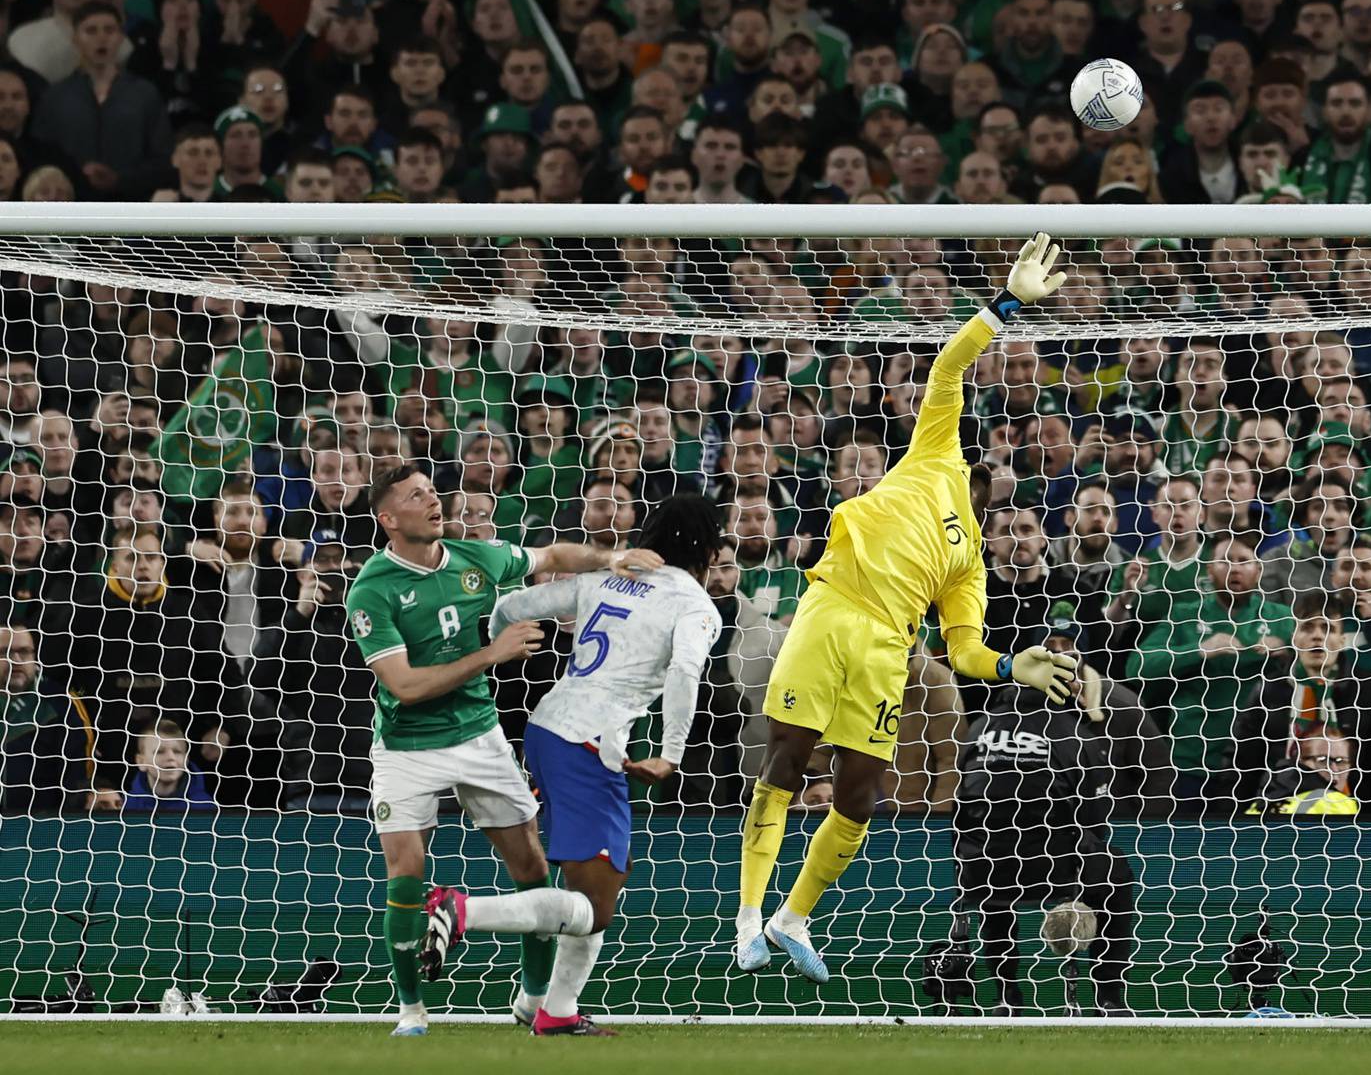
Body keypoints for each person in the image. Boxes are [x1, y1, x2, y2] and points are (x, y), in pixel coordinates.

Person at [733, 235, 1080, 982]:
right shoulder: (934, 452)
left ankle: (795, 917)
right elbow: (949, 364)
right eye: (996, 450)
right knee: (788, 758)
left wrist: (1011, 664)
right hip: (832, 610)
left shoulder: (969, 562)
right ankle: (748, 918)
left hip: (889, 647)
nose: (998, 460)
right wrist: (1007, 303)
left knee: (860, 791)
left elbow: (964, 651)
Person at [344, 464, 663, 1037]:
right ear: (389, 519)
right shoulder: (371, 589)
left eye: (433, 492)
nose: (434, 502)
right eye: (417, 497)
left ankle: (534, 999)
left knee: (532, 865)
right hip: (407, 747)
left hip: (479, 736)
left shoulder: (476, 557)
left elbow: (551, 557)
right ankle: (412, 1010)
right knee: (406, 872)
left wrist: (610, 562)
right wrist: (492, 654)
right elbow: (405, 686)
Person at [426, 495, 726, 1036]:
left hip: (548, 730)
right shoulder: (696, 605)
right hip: (588, 742)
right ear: (709, 546)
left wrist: (500, 643)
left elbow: (513, 609)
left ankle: (553, 1009)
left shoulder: (605, 578)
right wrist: (672, 754)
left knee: (597, 887)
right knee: (594, 907)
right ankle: (461, 911)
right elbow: (684, 673)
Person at [948, 623, 1146, 1016]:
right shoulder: (1072, 734)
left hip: (983, 870)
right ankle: (1110, 997)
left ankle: (1007, 995)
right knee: (1116, 869)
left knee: (991, 890)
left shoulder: (978, 728)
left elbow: (959, 805)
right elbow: (1094, 815)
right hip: (1056, 868)